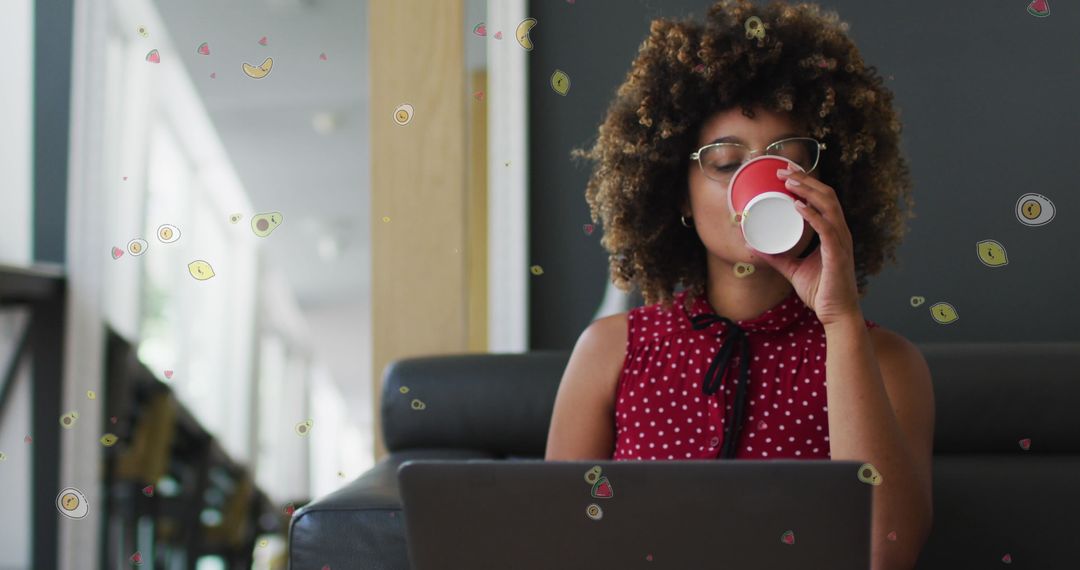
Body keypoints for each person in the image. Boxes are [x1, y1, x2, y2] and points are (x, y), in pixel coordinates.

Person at [545, 1, 934, 568]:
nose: (756, 187)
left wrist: (841, 321)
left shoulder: (886, 362)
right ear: (678, 194)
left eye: (787, 160)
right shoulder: (610, 352)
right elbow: (555, 544)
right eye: (726, 163)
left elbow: (886, 554)